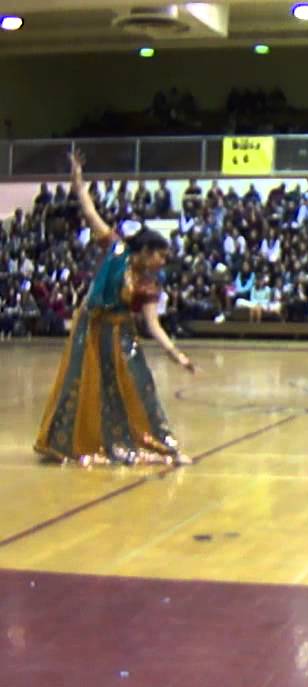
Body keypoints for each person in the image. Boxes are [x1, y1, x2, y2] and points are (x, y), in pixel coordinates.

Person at [35, 152, 195, 466]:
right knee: (83, 384)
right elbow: (90, 211)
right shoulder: (115, 248)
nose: (162, 263)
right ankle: (72, 442)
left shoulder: (149, 285)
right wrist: (78, 181)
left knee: (137, 384)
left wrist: (178, 356)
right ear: (146, 251)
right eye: (160, 256)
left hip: (121, 334)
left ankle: (160, 443)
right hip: (91, 327)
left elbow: (153, 326)